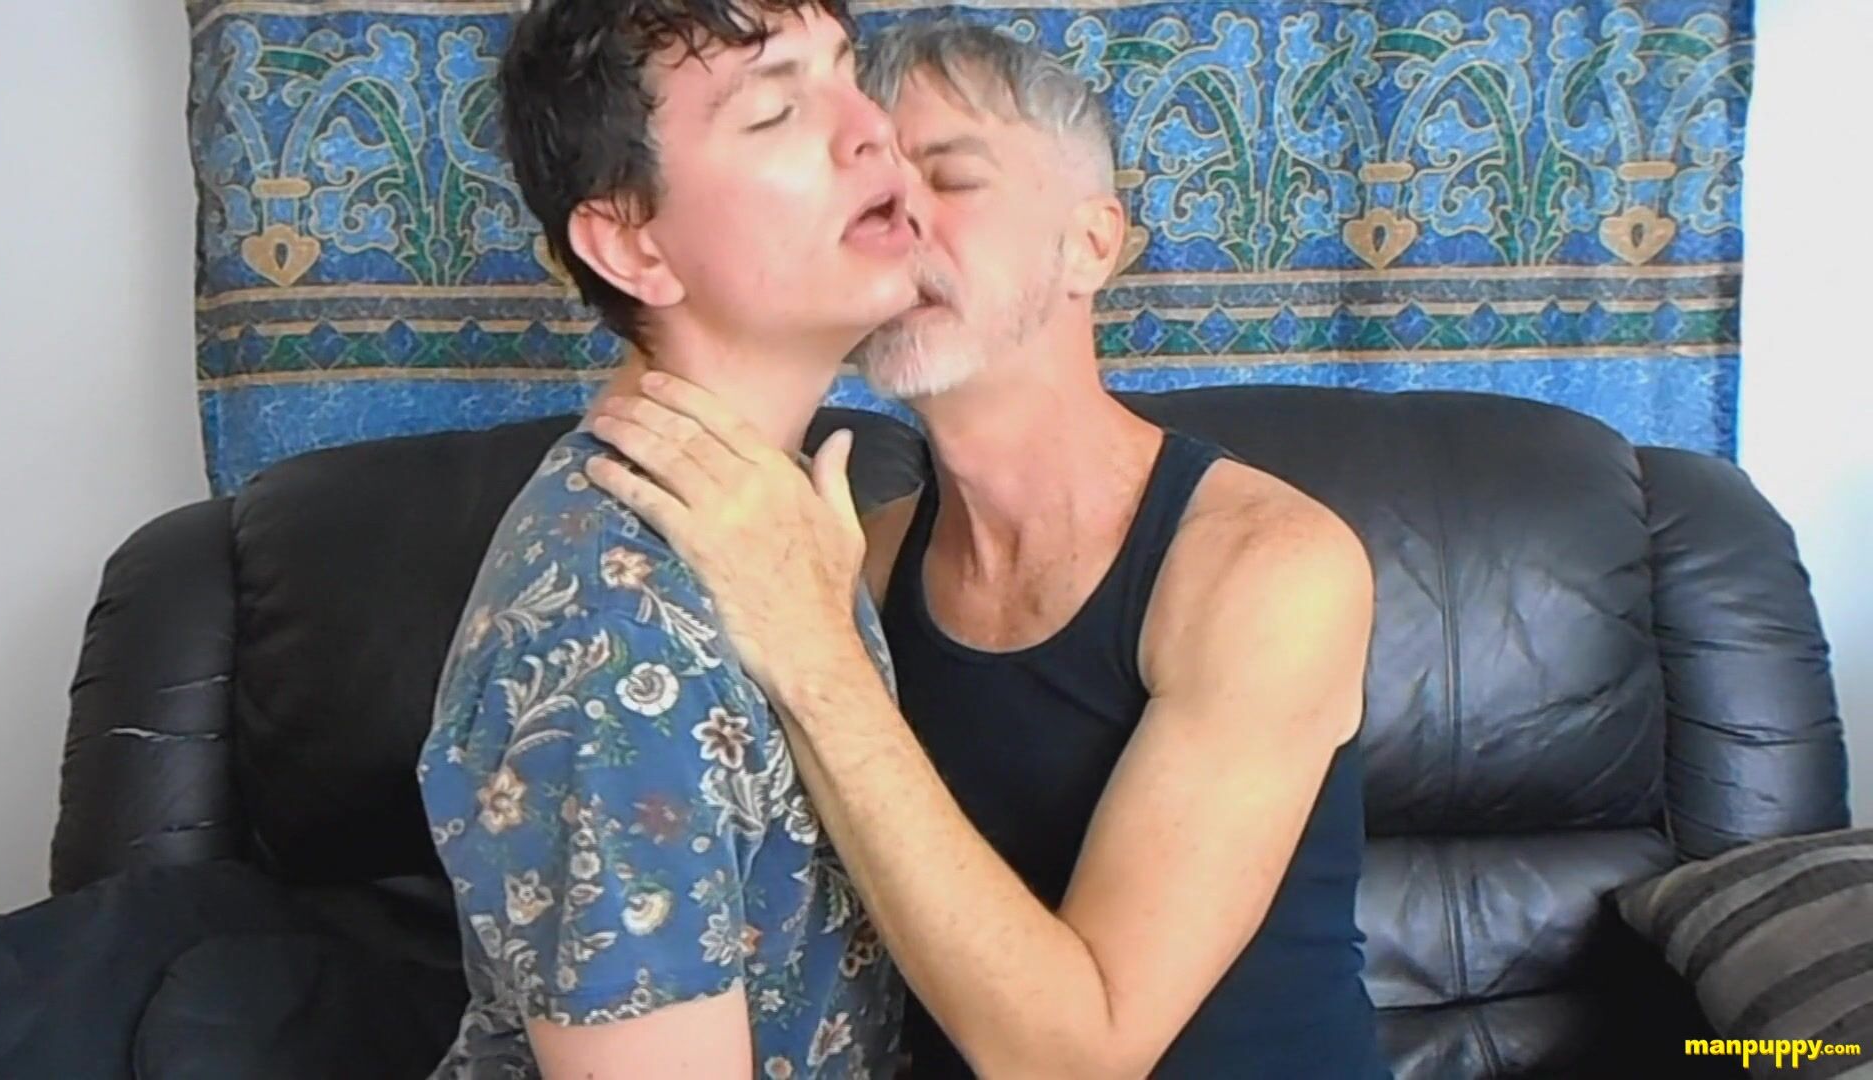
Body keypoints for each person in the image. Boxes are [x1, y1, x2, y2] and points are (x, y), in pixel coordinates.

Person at [584, 22, 1391, 1079]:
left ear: (1091, 243)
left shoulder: (1271, 569)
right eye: (871, 187)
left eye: (951, 178)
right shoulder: (856, 561)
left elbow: (1078, 1057)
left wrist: (816, 655)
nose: (898, 215)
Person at [415, 2, 924, 1076]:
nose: (870, 130)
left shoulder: (761, 511)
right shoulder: (612, 635)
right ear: (632, 242)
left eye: (850, 73)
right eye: (777, 110)